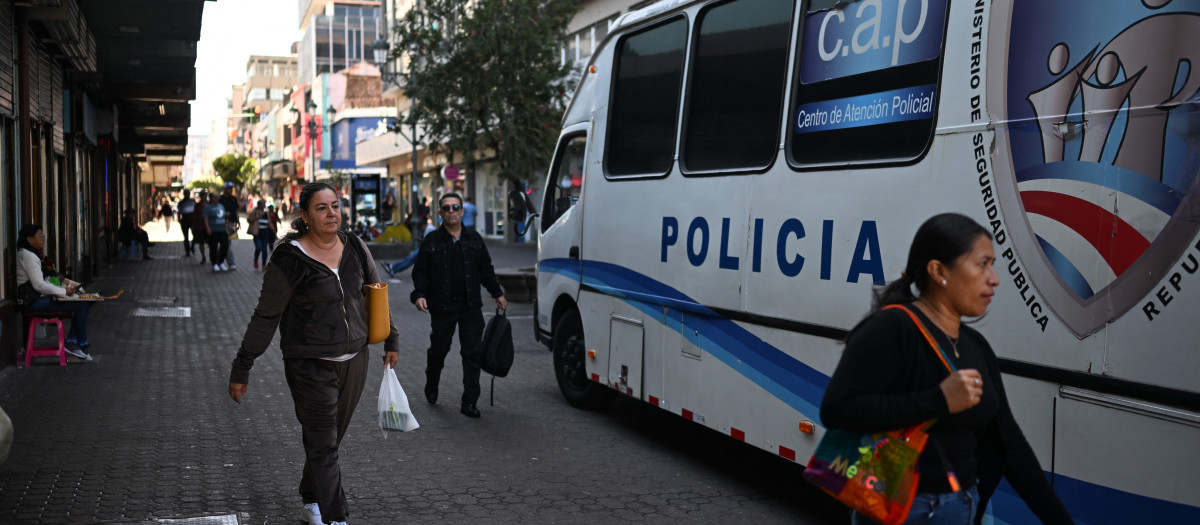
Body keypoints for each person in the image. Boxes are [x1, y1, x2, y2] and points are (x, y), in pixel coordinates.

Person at [820, 213, 1074, 525]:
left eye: (992, 265)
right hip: (902, 511)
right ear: (939, 270)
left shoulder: (975, 344)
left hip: (965, 506)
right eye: (982, 264)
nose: (994, 278)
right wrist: (938, 401)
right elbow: (837, 409)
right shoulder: (892, 327)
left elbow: (1009, 439)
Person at [228, 182, 400, 525]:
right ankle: (337, 518)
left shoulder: (354, 246)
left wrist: (391, 339)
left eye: (335, 205)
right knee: (323, 442)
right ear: (304, 215)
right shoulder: (288, 258)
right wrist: (242, 366)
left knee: (329, 440)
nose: (331, 213)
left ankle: (311, 498)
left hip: (355, 362)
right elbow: (266, 315)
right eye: (321, 208)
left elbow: (375, 297)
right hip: (309, 365)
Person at [410, 193, 506, 418]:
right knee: (438, 352)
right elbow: (420, 272)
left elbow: (486, 269)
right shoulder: (432, 240)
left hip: (470, 307)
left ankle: (470, 402)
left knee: (472, 355)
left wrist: (497, 293)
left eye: (455, 207)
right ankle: (432, 382)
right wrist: (419, 295)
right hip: (442, 308)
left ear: (462, 212)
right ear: (441, 213)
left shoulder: (474, 239)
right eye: (446, 208)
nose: (451, 211)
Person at [16, 224, 95, 361]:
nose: (43, 239)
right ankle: (77, 342)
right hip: (33, 303)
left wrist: (66, 290)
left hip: (37, 299)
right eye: (40, 236)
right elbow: (39, 285)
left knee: (85, 301)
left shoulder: (29, 254)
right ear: (29, 239)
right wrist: (64, 291)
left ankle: (73, 342)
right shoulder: (28, 256)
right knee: (83, 304)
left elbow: (42, 282)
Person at [204, 192, 230, 272]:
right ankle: (214, 263)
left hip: (222, 229)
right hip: (213, 230)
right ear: (211, 198)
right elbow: (205, 219)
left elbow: (224, 217)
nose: (217, 199)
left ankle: (221, 262)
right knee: (213, 247)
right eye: (215, 197)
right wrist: (208, 229)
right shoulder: (207, 207)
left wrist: (228, 224)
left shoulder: (221, 206)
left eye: (218, 197)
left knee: (225, 245)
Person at [247, 200, 276, 270]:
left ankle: (264, 265)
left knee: (264, 249)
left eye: (264, 204)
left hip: (265, 233)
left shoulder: (266, 214)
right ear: (259, 205)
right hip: (257, 233)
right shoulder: (255, 212)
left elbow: (269, 223)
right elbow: (248, 220)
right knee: (258, 248)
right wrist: (255, 217)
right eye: (262, 204)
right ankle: (256, 259)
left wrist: (274, 232)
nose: (264, 205)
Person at [219, 182, 240, 270]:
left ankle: (219, 261)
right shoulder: (221, 199)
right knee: (225, 243)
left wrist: (238, 221)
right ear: (225, 189)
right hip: (222, 224)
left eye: (231, 188)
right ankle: (228, 263)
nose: (230, 190)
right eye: (228, 188)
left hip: (232, 224)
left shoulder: (233, 199)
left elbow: (236, 211)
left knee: (227, 243)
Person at [177, 189, 197, 256]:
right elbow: (179, 211)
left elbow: (196, 209)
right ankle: (187, 251)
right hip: (185, 219)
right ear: (184, 194)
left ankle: (192, 247)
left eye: (188, 193)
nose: (187, 194)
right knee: (186, 237)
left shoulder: (193, 201)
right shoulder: (181, 202)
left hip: (192, 219)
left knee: (195, 234)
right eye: (186, 193)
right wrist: (179, 219)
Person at [192, 190, 210, 264]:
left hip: (209, 227)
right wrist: (193, 226)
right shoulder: (197, 205)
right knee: (201, 243)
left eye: (204, 195)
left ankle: (211, 256)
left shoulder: (210, 205)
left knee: (210, 243)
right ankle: (203, 257)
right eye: (202, 196)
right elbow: (195, 216)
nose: (203, 197)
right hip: (200, 227)